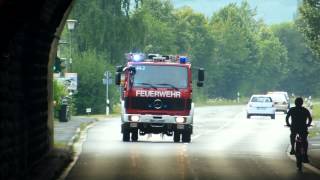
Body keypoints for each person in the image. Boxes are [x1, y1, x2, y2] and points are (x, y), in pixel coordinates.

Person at [286, 97, 312, 162]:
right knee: (304, 140)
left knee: (292, 136)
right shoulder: (305, 110)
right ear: (302, 103)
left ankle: (292, 148)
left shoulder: (292, 109)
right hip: (303, 127)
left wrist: (288, 124)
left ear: (295, 103)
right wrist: (308, 124)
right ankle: (305, 154)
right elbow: (310, 118)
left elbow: (287, 117)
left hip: (294, 127)